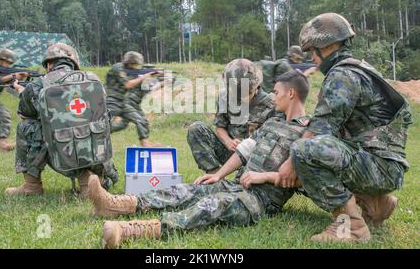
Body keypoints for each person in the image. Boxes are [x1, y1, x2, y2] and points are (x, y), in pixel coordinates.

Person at [85, 70, 310, 248]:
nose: (274, 96)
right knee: (188, 190)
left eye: (278, 92)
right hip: (238, 184)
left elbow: (305, 178)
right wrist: (218, 175)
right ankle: (117, 204)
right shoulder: (273, 122)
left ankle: (131, 231)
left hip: (263, 200)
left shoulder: (309, 132)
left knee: (211, 205)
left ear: (291, 94)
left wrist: (264, 176)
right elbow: (245, 151)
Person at [276, 13, 412, 243]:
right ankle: (376, 205)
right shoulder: (357, 68)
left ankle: (352, 228)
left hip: (378, 166)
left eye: (312, 51)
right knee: (313, 147)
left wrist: (289, 163)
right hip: (382, 165)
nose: (312, 57)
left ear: (327, 45)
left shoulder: (342, 75)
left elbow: (321, 128)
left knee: (304, 150)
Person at [5, 43, 119, 197]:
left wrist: (22, 93)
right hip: (100, 159)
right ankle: (91, 182)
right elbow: (107, 119)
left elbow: (25, 115)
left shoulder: (38, 85)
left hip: (64, 156)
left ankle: (32, 185)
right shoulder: (94, 80)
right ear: (73, 64)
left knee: (27, 127)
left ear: (49, 64)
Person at [187, 59, 276, 181]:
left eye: (246, 95)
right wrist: (228, 142)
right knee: (196, 129)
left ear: (256, 86)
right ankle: (215, 175)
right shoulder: (225, 97)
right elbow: (220, 127)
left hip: (255, 157)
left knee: (239, 188)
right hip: (230, 151)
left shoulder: (271, 104)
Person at [106, 51, 164, 147]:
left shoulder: (130, 70)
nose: (137, 66)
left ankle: (145, 142)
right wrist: (145, 76)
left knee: (128, 123)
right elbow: (128, 84)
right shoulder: (118, 68)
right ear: (131, 62)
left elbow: (147, 86)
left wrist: (154, 76)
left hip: (122, 102)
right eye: (136, 64)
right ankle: (99, 133)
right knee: (106, 123)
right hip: (112, 101)